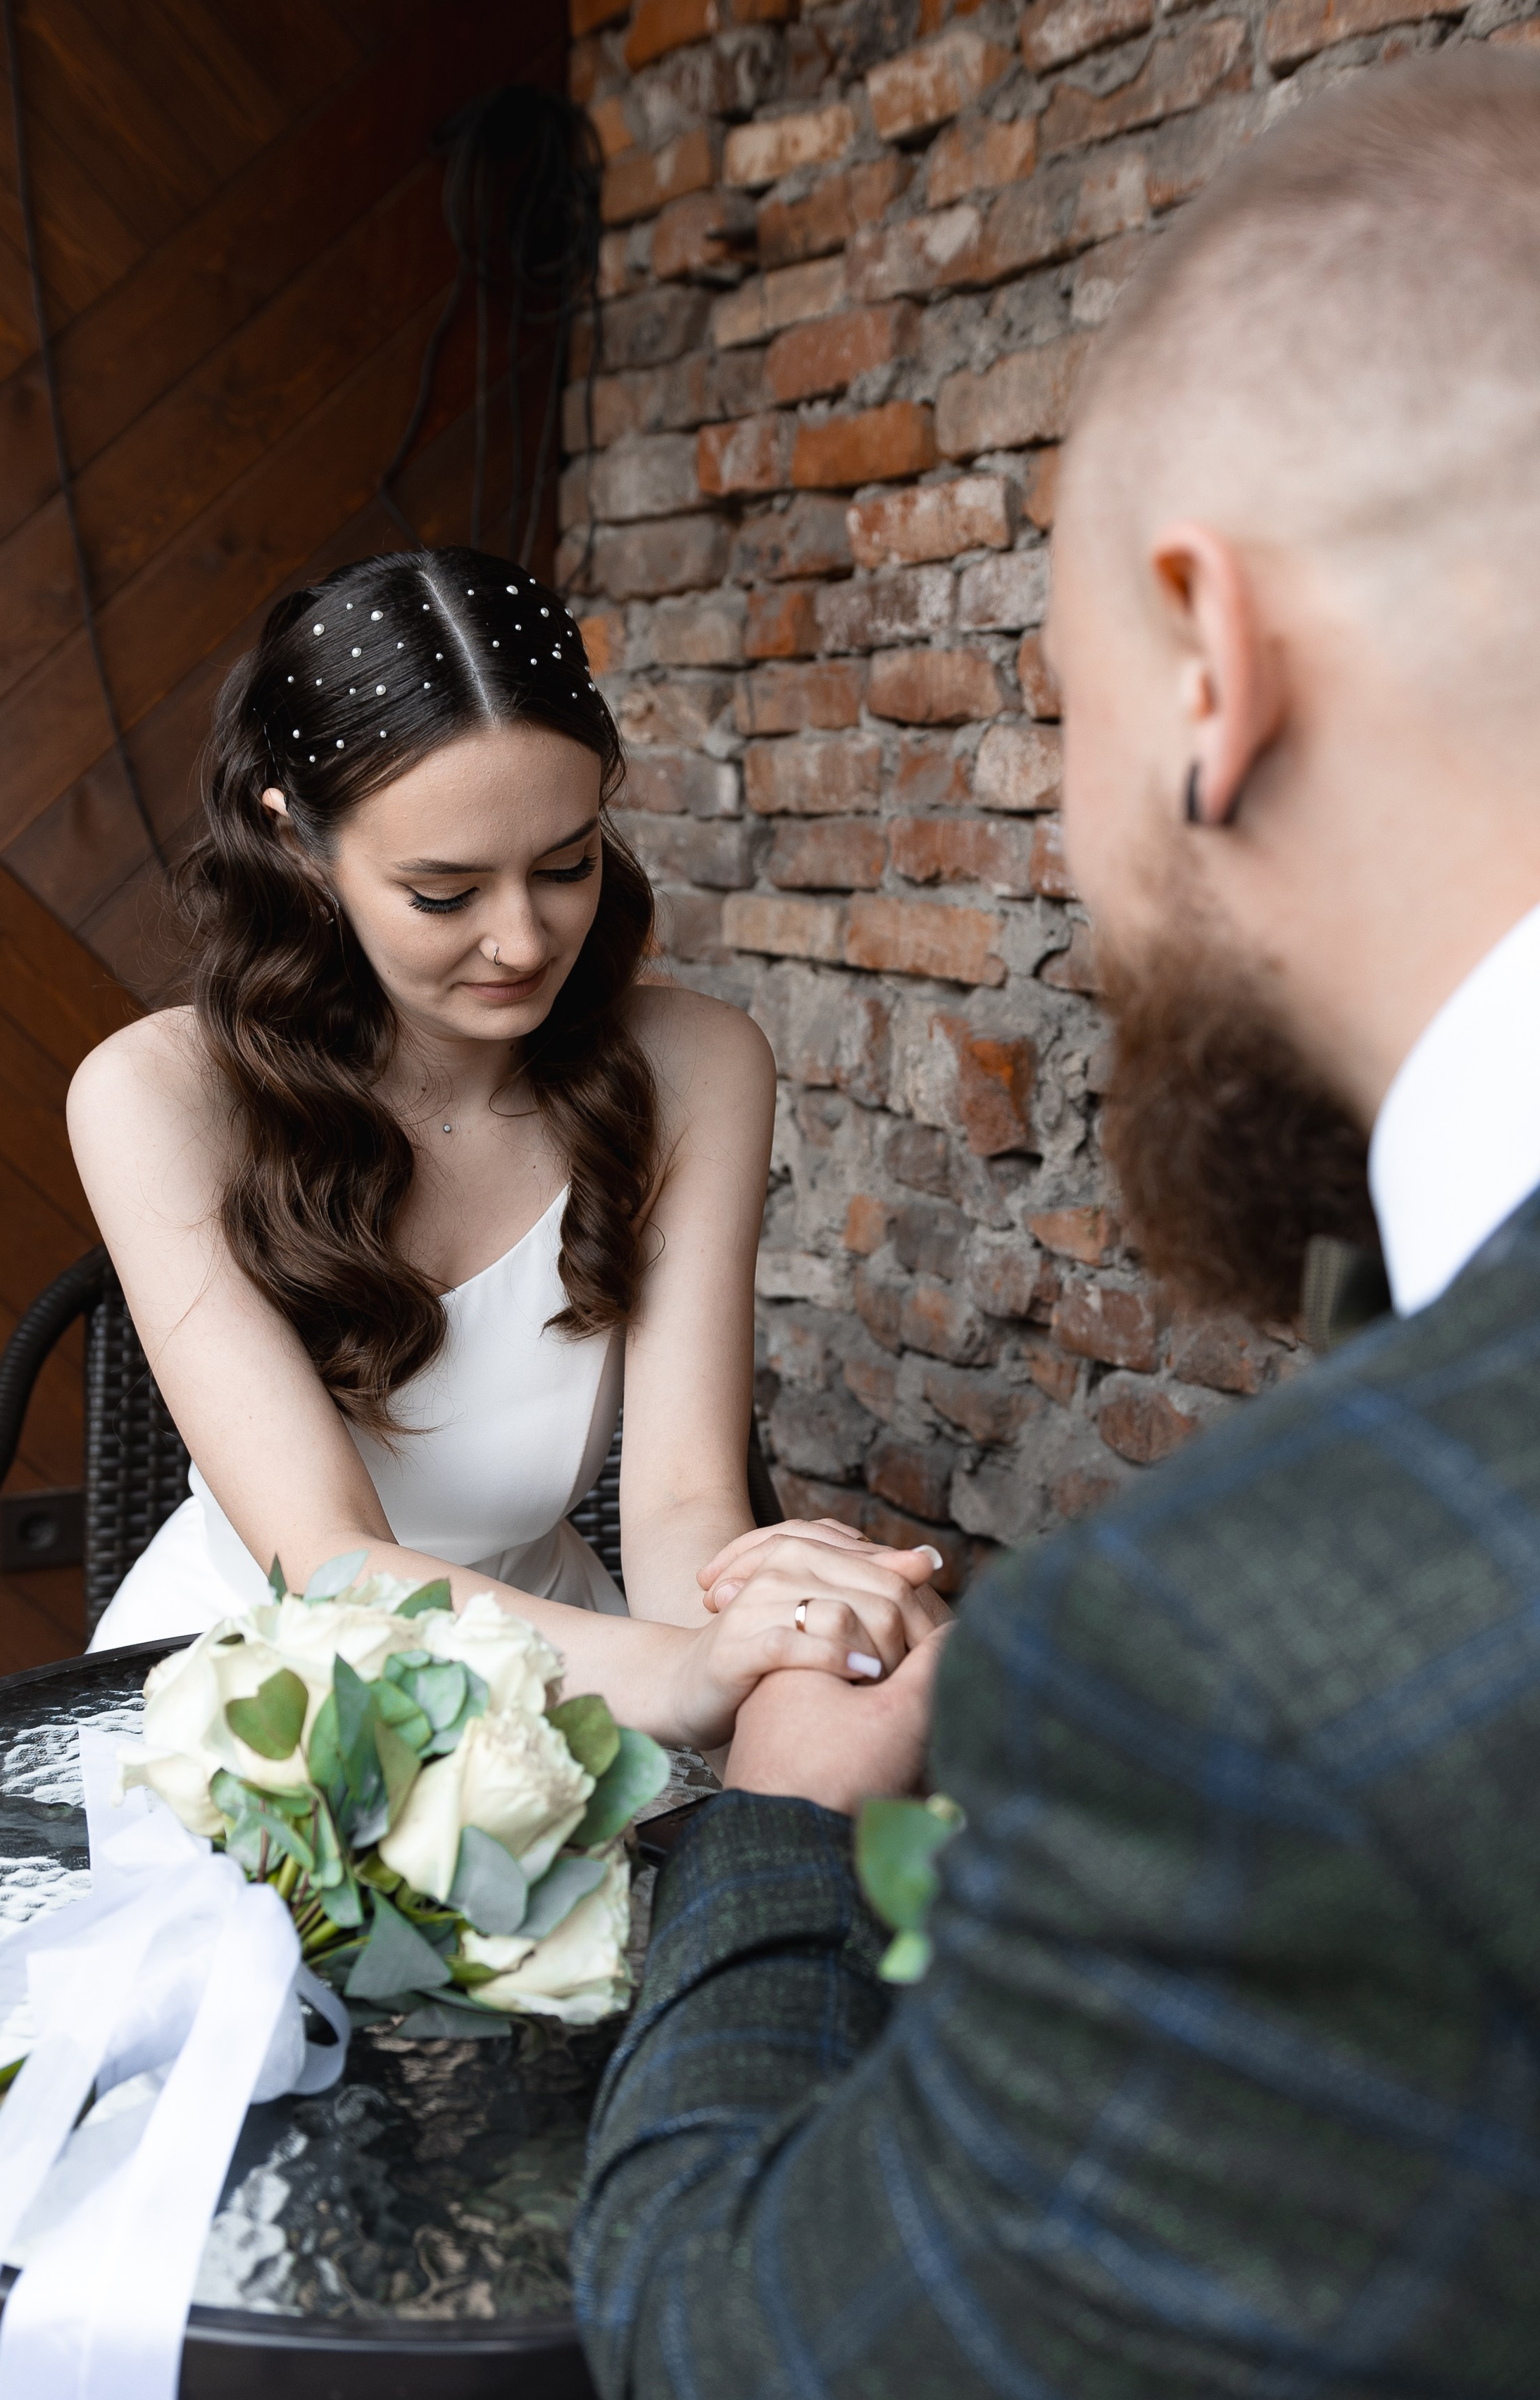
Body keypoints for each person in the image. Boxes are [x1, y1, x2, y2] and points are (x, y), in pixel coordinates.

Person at [572, 51, 1540, 2396]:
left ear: (1209, 661)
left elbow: (748, 2338)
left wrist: (784, 1831)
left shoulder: (1247, 1661)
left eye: (1052, 694)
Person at [69, 549, 946, 1751]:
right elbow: (327, 1565)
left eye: (567, 865)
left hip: (578, 1662)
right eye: (443, 894)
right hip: (258, 1685)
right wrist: (687, 1677)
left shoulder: (698, 1067)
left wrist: (765, 1629)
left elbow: (686, 1504)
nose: (524, 941)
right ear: (298, 848)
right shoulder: (156, 1096)